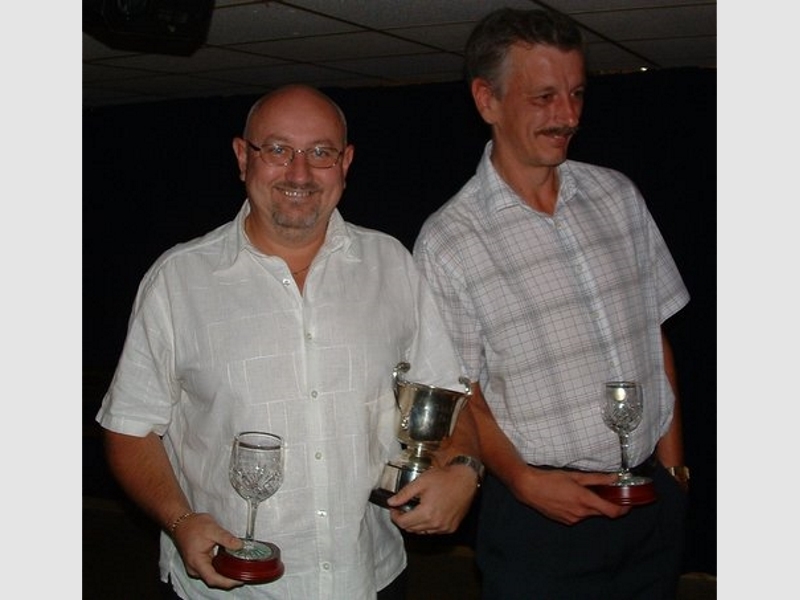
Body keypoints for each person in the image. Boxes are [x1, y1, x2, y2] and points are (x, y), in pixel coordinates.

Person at [95, 84, 483, 600]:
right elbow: (128, 429)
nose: (299, 173)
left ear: (345, 163)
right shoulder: (177, 280)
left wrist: (464, 468)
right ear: (242, 157)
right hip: (230, 587)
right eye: (277, 149)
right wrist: (180, 520)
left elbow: (449, 398)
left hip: (368, 577)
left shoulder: (392, 265)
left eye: (320, 153)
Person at [413, 8, 691, 600]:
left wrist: (673, 470)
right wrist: (524, 482)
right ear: (487, 100)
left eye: (576, 94)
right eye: (543, 97)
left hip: (649, 502)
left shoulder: (617, 195)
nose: (567, 116)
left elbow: (653, 331)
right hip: (541, 522)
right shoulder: (449, 240)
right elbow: (461, 391)